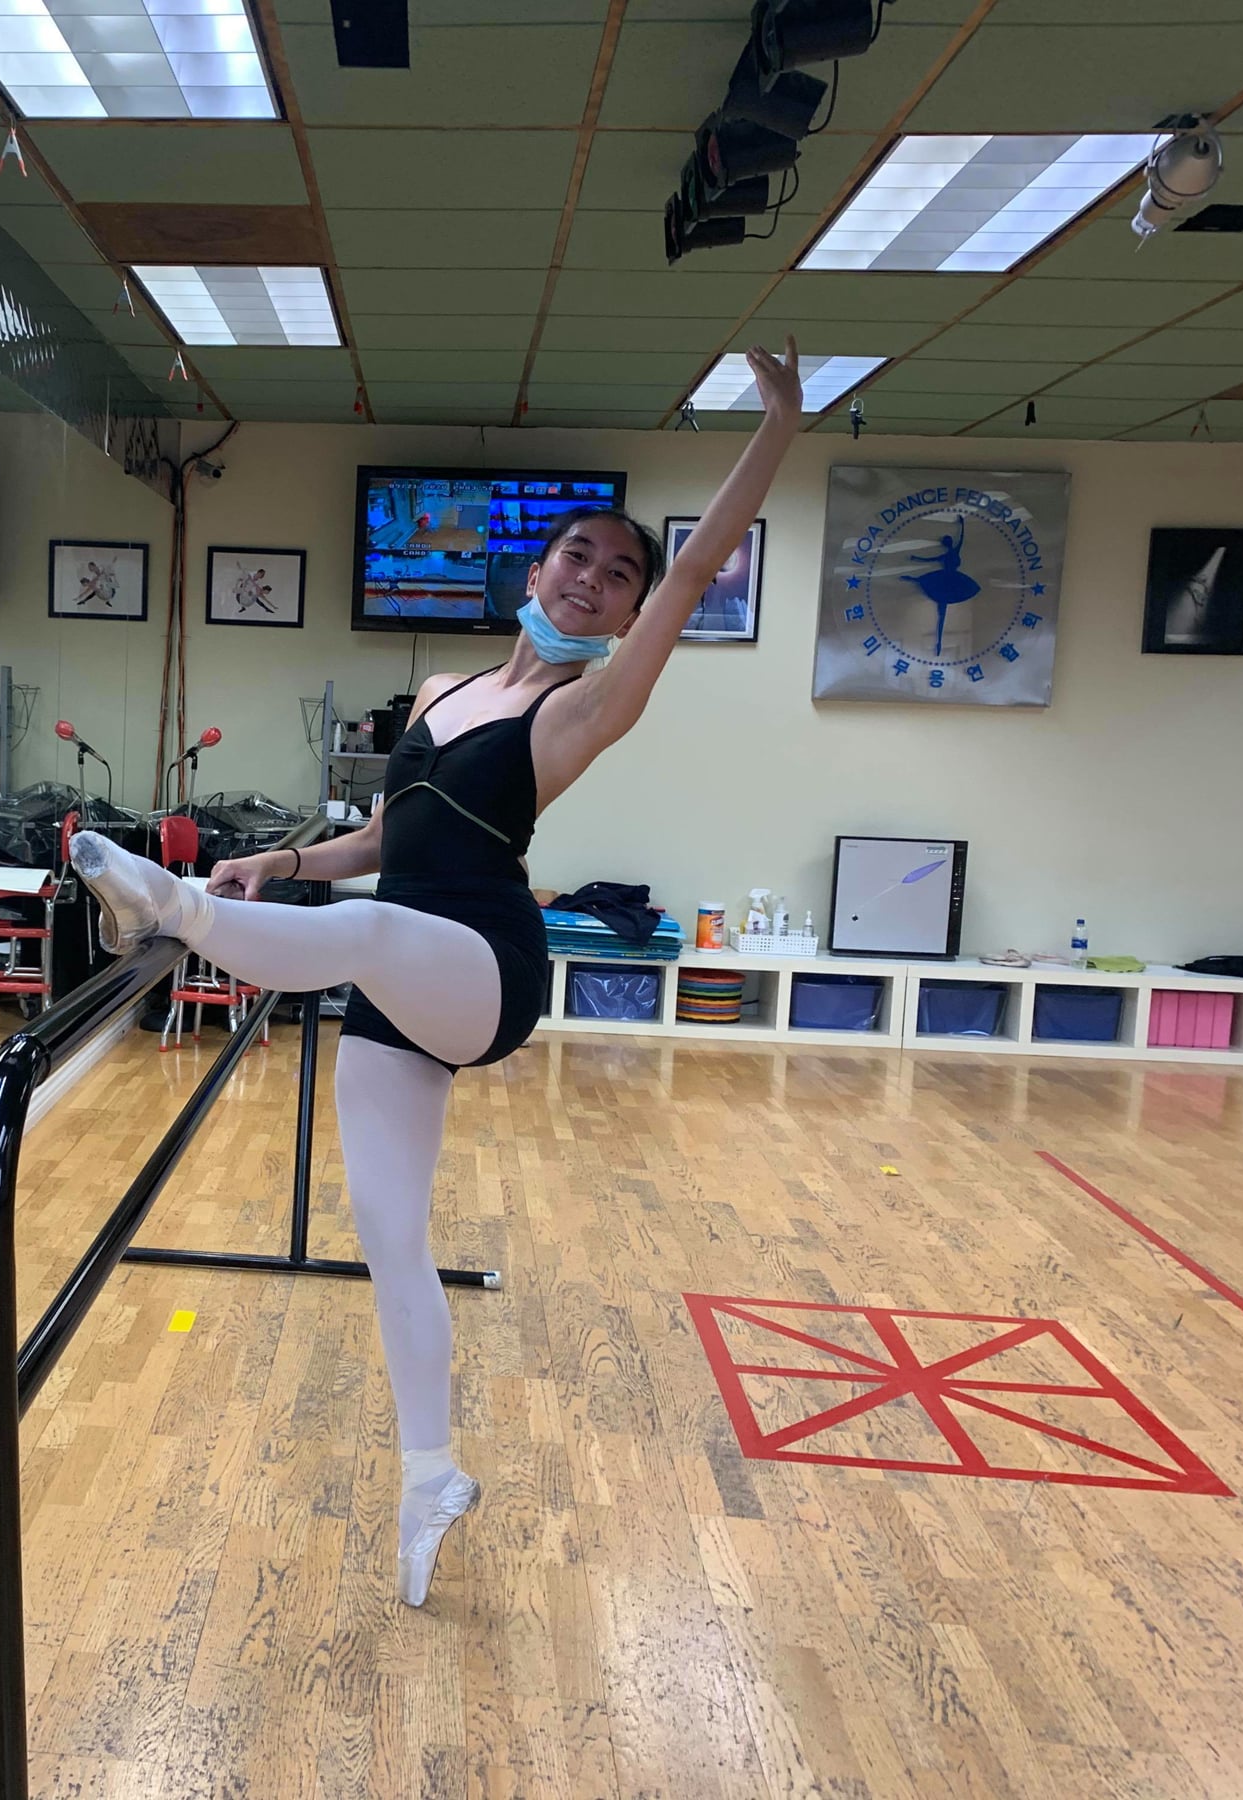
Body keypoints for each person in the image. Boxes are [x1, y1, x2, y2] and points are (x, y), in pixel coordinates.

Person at [69, 343, 803, 1607]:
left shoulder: (579, 712)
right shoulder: (442, 689)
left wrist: (778, 420)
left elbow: (695, 572)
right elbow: (381, 841)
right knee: (388, 1236)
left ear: (624, 616)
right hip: (398, 956)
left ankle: (170, 905)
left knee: (360, 932)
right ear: (537, 570)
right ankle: (431, 1477)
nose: (595, 579)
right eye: (579, 556)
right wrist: (279, 860)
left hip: (481, 965)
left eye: (619, 577)